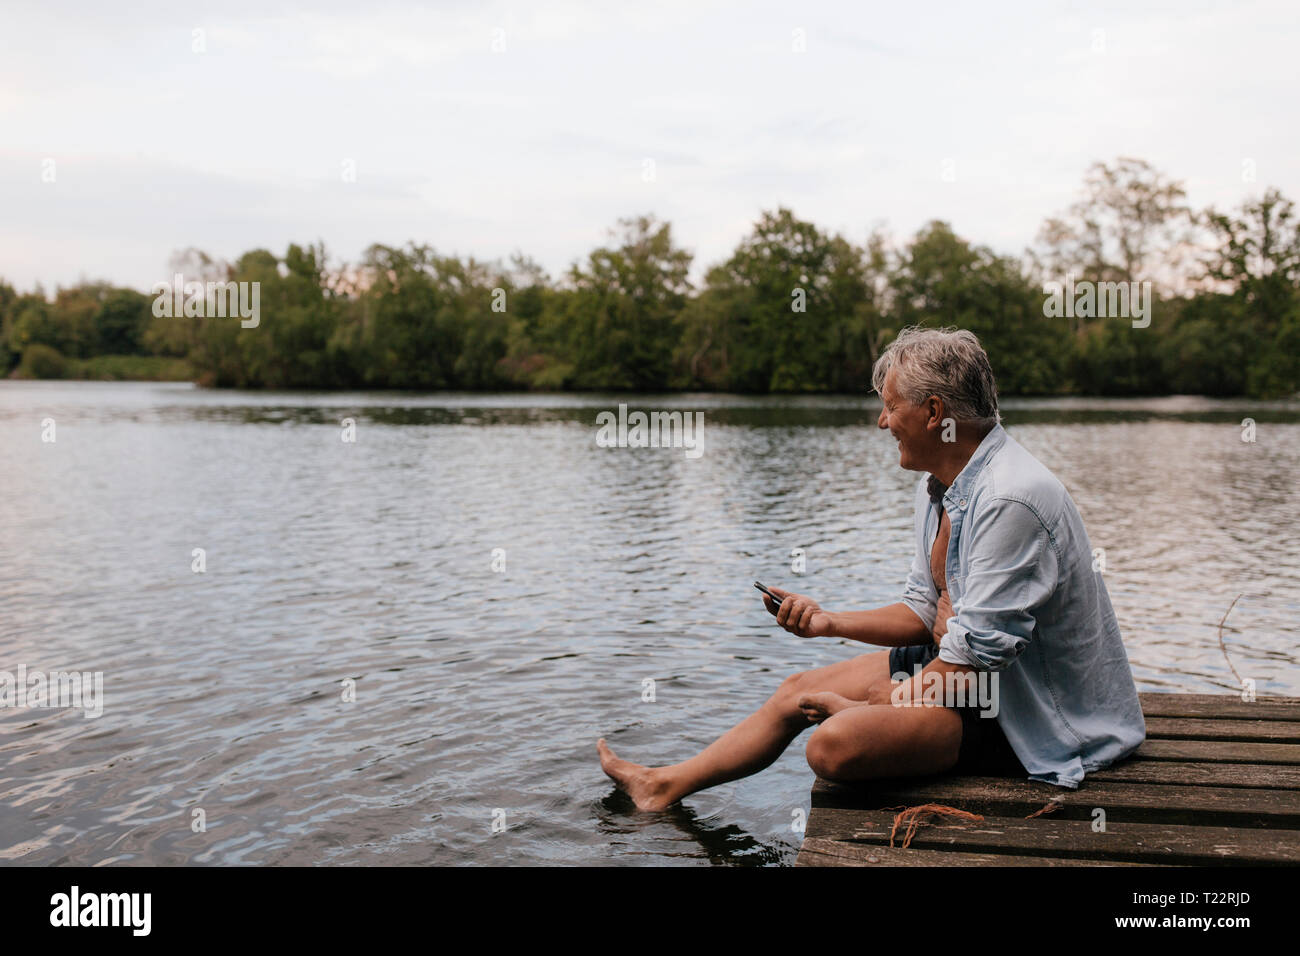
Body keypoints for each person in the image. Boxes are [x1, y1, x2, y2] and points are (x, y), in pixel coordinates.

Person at [598, 325, 1145, 810]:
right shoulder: (939, 486)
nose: (883, 422)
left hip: (1032, 718)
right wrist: (828, 623)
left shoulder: (1009, 499)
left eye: (891, 407)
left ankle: (862, 722)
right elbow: (922, 613)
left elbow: (976, 664)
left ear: (933, 413)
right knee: (797, 689)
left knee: (834, 743)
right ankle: (662, 785)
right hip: (963, 675)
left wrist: (883, 702)